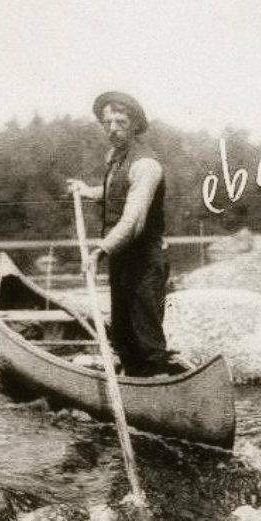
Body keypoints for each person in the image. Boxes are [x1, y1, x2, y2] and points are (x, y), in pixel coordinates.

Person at [67, 91, 186, 377]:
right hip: (122, 257)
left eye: (120, 121)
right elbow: (114, 194)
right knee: (122, 332)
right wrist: (86, 191)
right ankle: (134, 382)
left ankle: (158, 387)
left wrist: (100, 251)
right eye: (107, 122)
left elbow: (133, 221)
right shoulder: (117, 159)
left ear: (135, 124)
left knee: (147, 336)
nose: (112, 128)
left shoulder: (145, 165)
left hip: (145, 260)